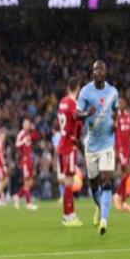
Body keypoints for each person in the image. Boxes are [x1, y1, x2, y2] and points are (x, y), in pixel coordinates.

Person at [77, 60, 118, 235]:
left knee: (107, 181)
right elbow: (76, 114)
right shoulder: (85, 92)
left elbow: (116, 110)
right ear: (93, 72)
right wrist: (87, 113)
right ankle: (100, 207)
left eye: (102, 69)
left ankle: (104, 221)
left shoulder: (113, 92)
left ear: (106, 72)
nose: (99, 72)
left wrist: (115, 123)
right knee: (94, 184)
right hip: (91, 146)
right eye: (96, 69)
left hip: (107, 143)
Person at [57, 77, 83, 226]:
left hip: (62, 144)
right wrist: (89, 113)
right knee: (69, 182)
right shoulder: (73, 104)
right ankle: (68, 216)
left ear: (68, 87)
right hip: (69, 145)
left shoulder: (62, 101)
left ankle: (70, 214)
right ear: (78, 88)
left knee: (68, 181)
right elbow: (77, 117)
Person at [13, 119, 39, 210]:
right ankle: (28, 204)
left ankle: (17, 196)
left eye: (29, 124)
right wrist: (23, 141)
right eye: (26, 124)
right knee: (26, 182)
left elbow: (36, 137)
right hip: (24, 160)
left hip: (30, 160)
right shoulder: (21, 134)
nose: (28, 125)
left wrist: (34, 129)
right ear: (23, 125)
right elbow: (16, 145)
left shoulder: (29, 133)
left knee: (30, 183)